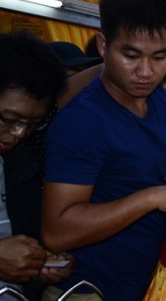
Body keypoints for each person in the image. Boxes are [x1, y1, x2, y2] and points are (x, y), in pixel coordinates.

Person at [40, 0, 166, 300]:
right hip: (88, 287)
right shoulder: (84, 121)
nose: (146, 72)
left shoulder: (160, 102)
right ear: (103, 46)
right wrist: (153, 198)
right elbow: (57, 231)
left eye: (160, 57)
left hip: (144, 279)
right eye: (131, 55)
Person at [0, 32, 75, 300]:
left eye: (32, 124)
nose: (19, 133)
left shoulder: (19, 162)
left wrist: (35, 265)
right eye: (9, 119)